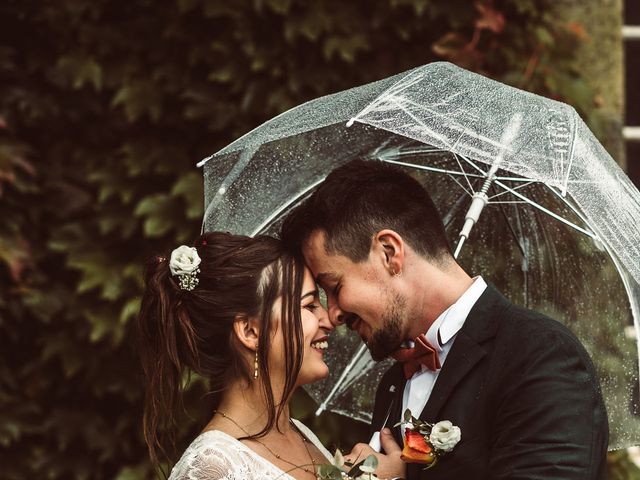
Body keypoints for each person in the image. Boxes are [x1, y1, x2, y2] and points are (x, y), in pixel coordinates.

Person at [281, 159, 609, 480]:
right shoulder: (393, 384)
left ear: (389, 252)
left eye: (335, 287)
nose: (334, 313)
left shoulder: (540, 355)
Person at [135, 232, 369, 479]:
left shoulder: (300, 434)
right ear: (251, 331)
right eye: (310, 305)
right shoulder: (213, 467)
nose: (330, 319)